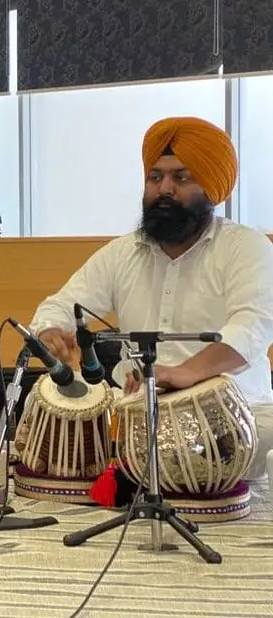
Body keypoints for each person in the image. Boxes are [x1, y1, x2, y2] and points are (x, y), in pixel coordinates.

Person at [30, 116, 273, 480]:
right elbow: (65, 304)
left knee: (262, 437)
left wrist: (185, 374)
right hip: (137, 416)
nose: (165, 189)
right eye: (155, 177)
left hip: (232, 416)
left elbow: (253, 327)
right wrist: (51, 330)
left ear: (210, 187)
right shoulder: (123, 252)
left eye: (182, 177)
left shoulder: (245, 247)